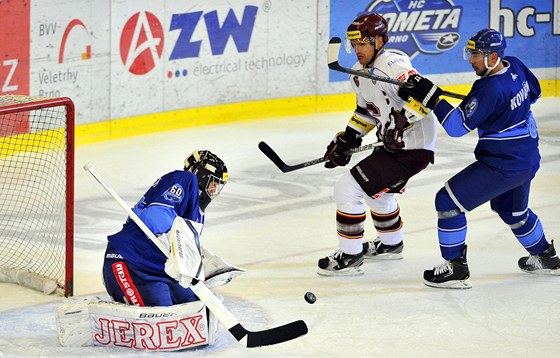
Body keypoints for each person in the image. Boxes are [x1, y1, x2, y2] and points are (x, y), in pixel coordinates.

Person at [404, 28, 560, 288]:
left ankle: (455, 267)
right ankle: (546, 256)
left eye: (476, 54)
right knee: (513, 212)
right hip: (527, 157)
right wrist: (497, 108)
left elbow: (456, 128)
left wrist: (433, 99)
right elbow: (535, 94)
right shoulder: (516, 66)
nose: (471, 60)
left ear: (494, 56)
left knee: (447, 201)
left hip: (504, 163)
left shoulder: (489, 87)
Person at [317, 13, 438, 276]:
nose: (358, 50)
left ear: (379, 41)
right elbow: (366, 113)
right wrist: (348, 138)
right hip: (397, 146)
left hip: (412, 148)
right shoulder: (358, 76)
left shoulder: (393, 63)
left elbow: (426, 99)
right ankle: (391, 245)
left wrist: (402, 121)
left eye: (363, 44)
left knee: (347, 189)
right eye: (355, 44)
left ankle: (350, 257)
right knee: (380, 194)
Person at [102, 150, 229, 305]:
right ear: (201, 175)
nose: (214, 190)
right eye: (213, 183)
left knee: (197, 303)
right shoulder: (184, 179)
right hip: (129, 262)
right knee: (163, 315)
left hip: (158, 270)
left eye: (218, 186)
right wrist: (175, 240)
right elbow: (155, 216)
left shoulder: (198, 214)